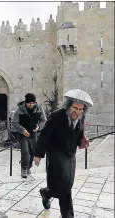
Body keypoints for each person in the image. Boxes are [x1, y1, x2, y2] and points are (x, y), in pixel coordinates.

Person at [33, 90, 92, 218]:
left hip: (70, 154)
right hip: (55, 152)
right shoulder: (57, 116)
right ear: (69, 106)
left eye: (80, 109)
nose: (76, 112)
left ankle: (46, 193)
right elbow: (44, 135)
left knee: (67, 183)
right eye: (75, 108)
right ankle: (68, 216)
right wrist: (38, 154)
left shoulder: (81, 117)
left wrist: (82, 138)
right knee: (65, 186)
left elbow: (79, 132)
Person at [11, 93, 46, 178]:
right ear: (26, 102)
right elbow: (14, 122)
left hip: (33, 133)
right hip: (22, 134)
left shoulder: (39, 108)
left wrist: (38, 127)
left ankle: (28, 167)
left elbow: (43, 120)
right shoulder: (19, 110)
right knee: (25, 152)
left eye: (33, 103)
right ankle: (24, 168)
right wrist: (22, 130)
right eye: (29, 103)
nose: (31, 105)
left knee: (33, 152)